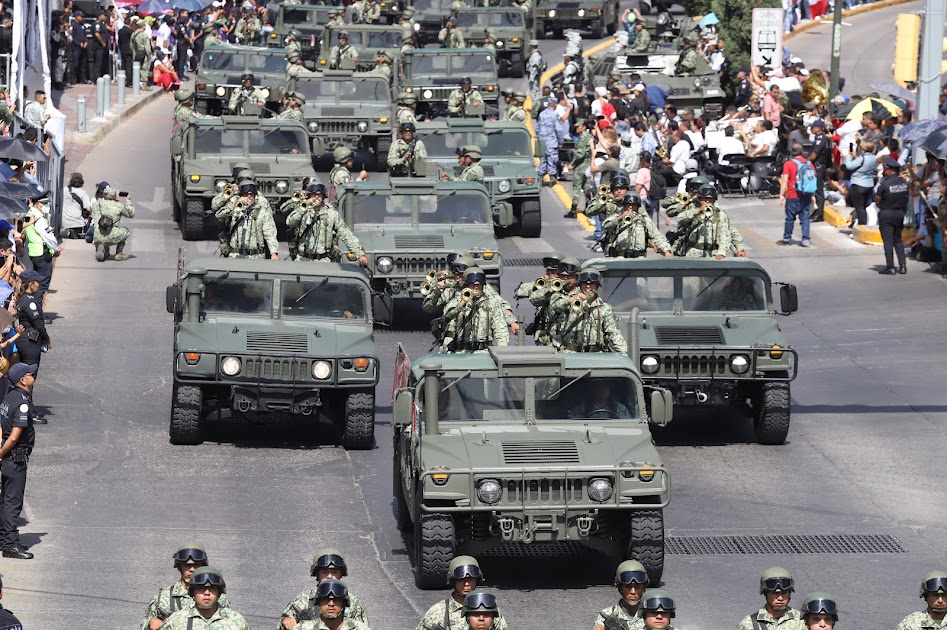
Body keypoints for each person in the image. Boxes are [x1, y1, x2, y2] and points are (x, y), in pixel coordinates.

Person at [140, 543, 233, 630]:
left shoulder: (217, 597)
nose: (192, 569)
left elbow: (230, 623)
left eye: (196, 565)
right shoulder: (163, 597)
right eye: (187, 565)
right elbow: (144, 624)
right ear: (179, 567)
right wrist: (151, 623)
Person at [0, 362, 38, 560]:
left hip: (7, 458)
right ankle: (10, 545)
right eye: (30, 374)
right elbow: (14, 436)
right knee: (13, 503)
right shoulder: (22, 402)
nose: (34, 376)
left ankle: (3, 538)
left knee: (5, 500)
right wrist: (2, 452)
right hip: (15, 459)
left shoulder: (10, 396)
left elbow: (1, 425)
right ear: (23, 380)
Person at [279, 549, 369, 628]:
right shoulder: (304, 599)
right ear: (317, 574)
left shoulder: (353, 602)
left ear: (341, 574)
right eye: (324, 572)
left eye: (334, 572)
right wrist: (286, 621)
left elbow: (362, 626)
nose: (330, 576)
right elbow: (284, 621)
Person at [417, 556, 509, 630]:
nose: (467, 584)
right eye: (461, 580)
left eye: (471, 579)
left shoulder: (489, 609)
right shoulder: (438, 612)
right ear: (453, 581)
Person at [549, 269, 627, 353]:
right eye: (585, 284)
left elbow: (614, 333)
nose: (588, 287)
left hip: (595, 355)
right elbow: (555, 306)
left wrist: (623, 354)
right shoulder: (569, 302)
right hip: (570, 353)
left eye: (592, 284)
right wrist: (571, 300)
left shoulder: (604, 308)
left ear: (597, 286)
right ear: (580, 285)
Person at [288, 183, 366, 263]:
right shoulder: (303, 210)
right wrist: (303, 209)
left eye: (319, 195)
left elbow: (345, 233)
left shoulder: (331, 214)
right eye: (313, 195)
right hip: (303, 258)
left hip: (323, 260)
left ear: (323, 196)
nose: (316, 197)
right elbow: (290, 222)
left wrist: (359, 254)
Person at [440, 268, 509, 353]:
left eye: (479, 285)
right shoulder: (458, 300)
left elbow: (500, 329)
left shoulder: (492, 303)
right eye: (472, 285)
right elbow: (447, 315)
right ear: (466, 285)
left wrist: (502, 350)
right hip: (461, 352)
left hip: (484, 351)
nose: (475, 287)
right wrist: (462, 302)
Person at [161, 567, 249, 630]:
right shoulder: (176, 621)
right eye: (201, 588)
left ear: (219, 592)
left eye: (212, 589)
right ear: (192, 592)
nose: (207, 593)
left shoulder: (236, 621)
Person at [673, 184, 744, 259]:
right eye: (705, 198)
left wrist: (721, 252)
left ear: (714, 200)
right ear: (700, 199)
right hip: (693, 252)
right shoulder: (693, 211)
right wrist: (699, 210)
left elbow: (724, 234)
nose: (707, 201)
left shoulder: (720, 214)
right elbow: (680, 219)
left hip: (713, 253)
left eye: (710, 199)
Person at [215, 182, 279, 260]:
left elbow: (270, 234)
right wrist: (234, 205)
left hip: (256, 256)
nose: (249, 197)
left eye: (252, 194)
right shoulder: (233, 208)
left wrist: (273, 253)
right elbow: (219, 216)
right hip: (235, 255)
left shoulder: (262, 212)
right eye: (245, 194)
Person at [604, 193, 672, 258]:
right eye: (628, 204)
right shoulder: (617, 216)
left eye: (633, 205)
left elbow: (656, 235)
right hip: (620, 255)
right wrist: (620, 218)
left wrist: (666, 250)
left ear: (638, 206)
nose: (630, 207)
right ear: (624, 205)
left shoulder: (643, 220)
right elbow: (606, 226)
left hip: (639, 256)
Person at [736, 567, 804, 630]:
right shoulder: (749, 624)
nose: (780, 598)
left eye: (784, 593)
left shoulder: (801, 621)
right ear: (765, 594)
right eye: (775, 593)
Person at [875, 156, 910, 275]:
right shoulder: (904, 183)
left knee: (888, 241)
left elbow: (877, 201)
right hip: (899, 213)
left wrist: (884, 208)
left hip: (886, 213)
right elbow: (906, 199)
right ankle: (903, 266)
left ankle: (890, 267)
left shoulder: (884, 185)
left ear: (889, 170)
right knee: (898, 240)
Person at [592, 560, 649, 630]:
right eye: (628, 587)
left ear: (643, 588)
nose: (633, 592)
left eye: (637, 587)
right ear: (620, 588)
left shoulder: (653, 614)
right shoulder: (607, 616)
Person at [23, 198, 61, 301]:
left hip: (34, 253)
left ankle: (34, 309)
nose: (46, 206)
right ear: (38, 204)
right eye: (44, 203)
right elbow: (47, 236)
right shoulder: (38, 218)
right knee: (42, 285)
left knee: (37, 282)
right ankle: (37, 313)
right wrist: (56, 248)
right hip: (42, 254)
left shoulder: (29, 214)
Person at [295, 579, 368, 630]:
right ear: (318, 603)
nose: (331, 604)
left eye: (336, 600)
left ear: (343, 603)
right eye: (325, 600)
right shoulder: (302, 628)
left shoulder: (359, 628)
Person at [778, 143, 813, 248]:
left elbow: (784, 181)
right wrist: (813, 195)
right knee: (805, 218)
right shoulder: (809, 163)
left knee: (790, 218)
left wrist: (781, 194)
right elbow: (812, 180)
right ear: (802, 151)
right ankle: (805, 240)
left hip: (793, 194)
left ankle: (787, 238)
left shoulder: (788, 164)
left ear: (791, 152)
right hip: (806, 194)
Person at [15, 272, 49, 377]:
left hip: (24, 339)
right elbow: (38, 324)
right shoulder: (30, 302)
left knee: (24, 374)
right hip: (30, 341)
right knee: (29, 375)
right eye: (37, 282)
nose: (39, 284)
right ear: (31, 284)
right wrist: (46, 339)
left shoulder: (22, 298)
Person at [92, 186, 135, 262]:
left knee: (102, 230)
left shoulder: (96, 204)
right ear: (114, 196)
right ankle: (119, 254)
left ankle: (103, 250)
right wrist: (128, 201)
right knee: (126, 231)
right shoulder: (119, 206)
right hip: (112, 235)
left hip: (97, 236)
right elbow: (131, 213)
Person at [843, 140, 878, 228]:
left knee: (859, 208)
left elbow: (849, 166)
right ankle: (862, 224)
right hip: (869, 184)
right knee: (864, 206)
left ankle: (862, 227)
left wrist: (849, 156)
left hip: (858, 184)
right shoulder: (873, 157)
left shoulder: (862, 158)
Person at [806, 119, 831, 222]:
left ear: (820, 128)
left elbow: (814, 155)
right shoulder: (818, 138)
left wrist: (804, 163)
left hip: (819, 166)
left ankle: (819, 214)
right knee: (815, 191)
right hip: (816, 166)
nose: (812, 129)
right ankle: (816, 212)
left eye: (813, 127)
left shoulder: (821, 139)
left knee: (818, 191)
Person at [537, 97, 565, 184]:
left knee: (543, 159)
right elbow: (559, 129)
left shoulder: (541, 114)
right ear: (555, 105)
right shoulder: (554, 115)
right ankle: (552, 178)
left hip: (542, 142)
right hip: (551, 142)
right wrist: (561, 141)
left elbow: (537, 129)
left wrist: (539, 138)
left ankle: (540, 177)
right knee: (552, 160)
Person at [72, 11, 90, 84]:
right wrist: (79, 43)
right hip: (77, 47)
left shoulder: (82, 25)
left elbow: (85, 35)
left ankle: (83, 79)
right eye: (80, 16)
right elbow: (73, 37)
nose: (82, 18)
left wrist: (86, 42)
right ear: (76, 17)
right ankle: (73, 79)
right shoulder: (74, 25)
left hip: (83, 46)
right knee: (75, 63)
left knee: (83, 63)